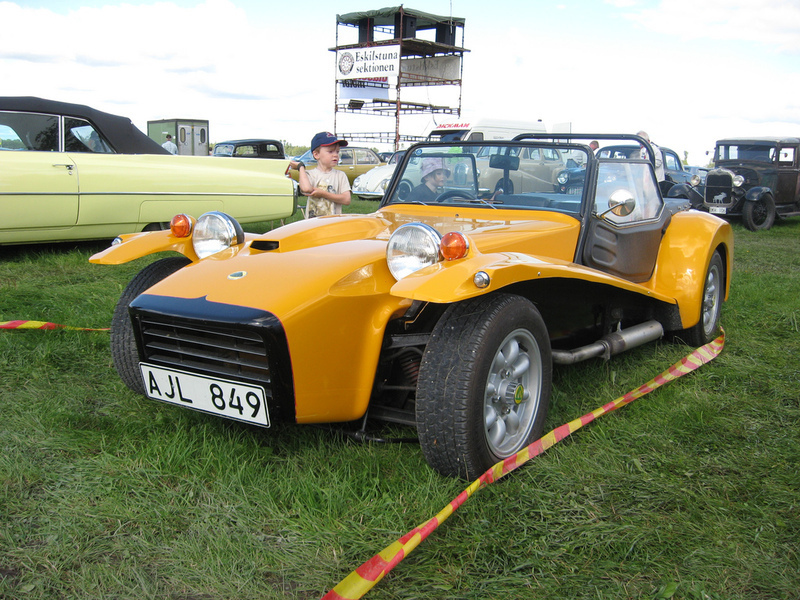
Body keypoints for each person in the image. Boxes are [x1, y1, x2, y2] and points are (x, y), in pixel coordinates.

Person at [290, 132, 351, 218]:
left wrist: (323, 194)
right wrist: (301, 167)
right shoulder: (310, 174)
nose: (335, 155)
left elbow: (346, 199)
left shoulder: (340, 175)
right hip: (313, 226)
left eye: (337, 152)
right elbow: (306, 188)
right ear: (316, 154)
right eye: (330, 151)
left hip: (333, 225)